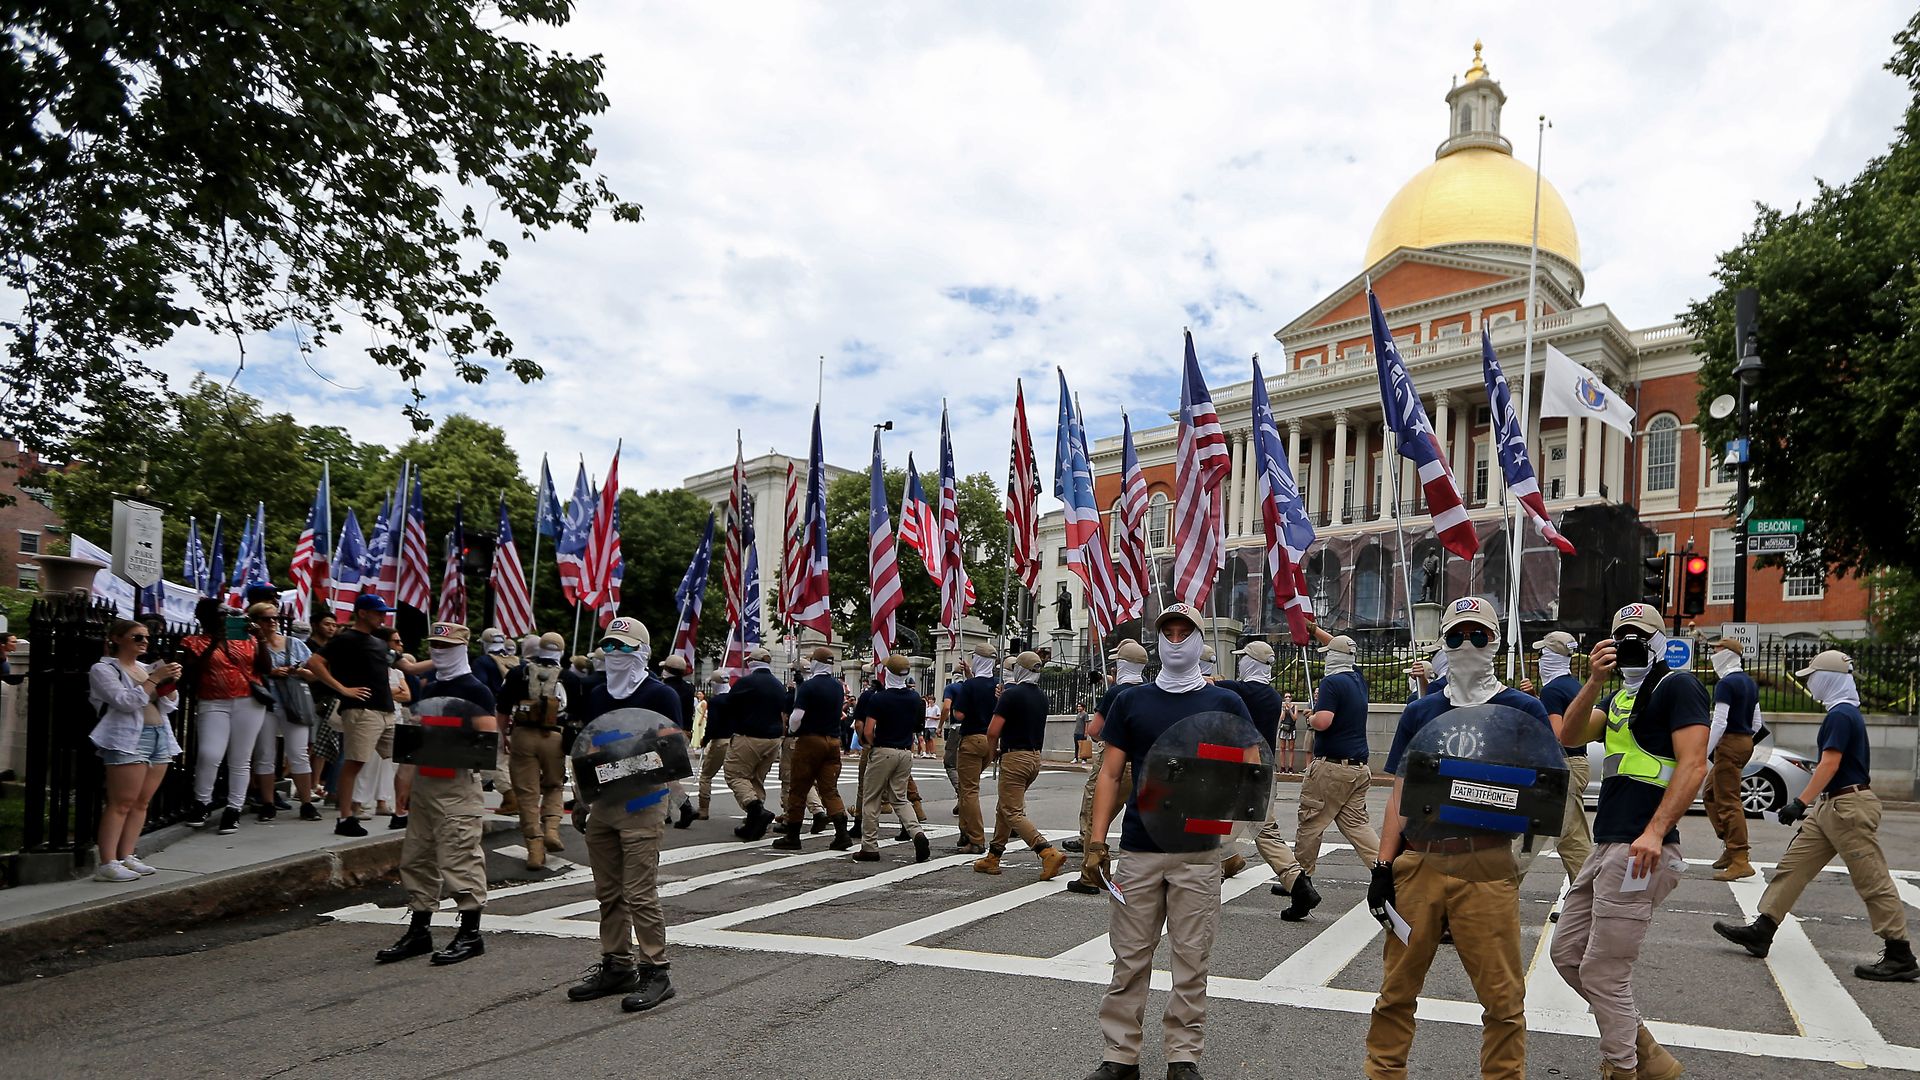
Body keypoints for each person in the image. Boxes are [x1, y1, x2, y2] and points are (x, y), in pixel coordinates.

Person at [1364, 596, 1553, 1080]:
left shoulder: (1522, 709)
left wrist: (1515, 862)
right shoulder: (1421, 711)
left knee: (1503, 1000)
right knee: (1395, 992)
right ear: (1443, 644)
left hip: (1485, 862)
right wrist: (1383, 867)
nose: (1467, 645)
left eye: (1478, 635)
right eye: (1456, 636)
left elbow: (1546, 796)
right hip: (1421, 861)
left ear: (1496, 641)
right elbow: (1399, 795)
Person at [1080, 604, 1253, 1080]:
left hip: (1197, 852)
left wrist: (1228, 832)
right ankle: (1120, 1057)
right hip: (1140, 848)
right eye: (1168, 633)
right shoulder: (1132, 702)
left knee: (1191, 959)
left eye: (1184, 632)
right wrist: (1097, 842)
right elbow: (1110, 774)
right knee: (1129, 957)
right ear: (1158, 641)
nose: (1176, 640)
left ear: (1199, 641)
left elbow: (1250, 771)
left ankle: (1183, 1056)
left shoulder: (1226, 703)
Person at [1549, 603, 1709, 1080]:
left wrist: (1655, 832)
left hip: (1641, 848)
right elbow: (1569, 735)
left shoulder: (1678, 685)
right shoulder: (1618, 696)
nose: (1629, 644)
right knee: (1567, 954)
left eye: (1639, 635)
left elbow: (1694, 764)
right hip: (1607, 845)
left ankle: (1622, 1068)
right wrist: (1593, 680)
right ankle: (1647, 1052)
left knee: (1604, 971)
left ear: (1659, 641)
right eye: (1621, 637)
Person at [1714, 649, 1918, 982]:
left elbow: (1830, 763)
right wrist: (1811, 804)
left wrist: (1800, 802)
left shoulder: (1841, 715)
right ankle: (1763, 929)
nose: (1810, 683)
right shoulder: (1843, 712)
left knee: (1872, 880)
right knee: (1793, 867)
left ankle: (1900, 954)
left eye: (1813, 677)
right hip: (1832, 807)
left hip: (1848, 808)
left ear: (1829, 678)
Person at [564, 617, 684, 1013]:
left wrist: (619, 769)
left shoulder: (661, 695)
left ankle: (655, 970)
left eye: (624, 646)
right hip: (603, 802)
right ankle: (617, 964)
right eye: (610, 646)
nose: (615, 653)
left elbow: (671, 755)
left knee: (639, 891)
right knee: (608, 891)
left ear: (643, 652)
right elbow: (588, 749)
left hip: (642, 802)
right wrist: (581, 798)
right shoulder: (598, 694)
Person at [376, 622, 497, 966]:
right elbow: (416, 736)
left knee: (460, 857)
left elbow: (487, 743)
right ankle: (419, 930)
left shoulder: (476, 690)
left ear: (462, 648)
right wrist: (404, 779)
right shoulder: (429, 687)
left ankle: (470, 933)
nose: (439, 651)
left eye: (446, 646)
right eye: (435, 645)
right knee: (417, 858)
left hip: (456, 785)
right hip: (425, 782)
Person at [1218, 640, 1317, 919]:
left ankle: (1205, 889)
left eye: (1243, 659)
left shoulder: (1239, 691)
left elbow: (1211, 685)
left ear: (1250, 663)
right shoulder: (1273, 697)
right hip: (1264, 766)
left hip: (1238, 766)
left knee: (1213, 824)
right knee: (1265, 830)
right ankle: (1298, 883)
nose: (1240, 664)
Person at [88, 619, 182, 882]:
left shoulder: (144, 668)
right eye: (137, 637)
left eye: (146, 637)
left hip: (159, 735)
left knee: (142, 802)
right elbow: (125, 702)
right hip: (128, 738)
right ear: (117, 638)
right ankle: (108, 862)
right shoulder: (104, 669)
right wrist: (155, 679)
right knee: (121, 802)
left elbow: (169, 705)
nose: (144, 642)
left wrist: (169, 682)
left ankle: (127, 855)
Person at [1296, 627, 1380, 900]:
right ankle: (1386, 870)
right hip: (1358, 767)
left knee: (1311, 822)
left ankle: (1299, 880)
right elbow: (1342, 646)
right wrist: (1313, 629)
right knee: (1357, 825)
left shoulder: (1331, 683)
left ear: (1333, 657)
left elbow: (1324, 721)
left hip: (1331, 766)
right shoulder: (1357, 679)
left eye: (1328, 654)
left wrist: (1310, 717)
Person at [306, 593, 396, 836]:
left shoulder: (378, 642)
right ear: (363, 613)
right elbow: (314, 663)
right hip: (361, 710)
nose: (383, 617)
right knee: (355, 762)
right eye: (379, 612)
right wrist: (342, 689)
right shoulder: (345, 639)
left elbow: (402, 667)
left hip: (386, 709)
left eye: (384, 613)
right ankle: (345, 817)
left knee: (404, 757)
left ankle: (401, 812)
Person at [974, 651, 1068, 880]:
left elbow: (993, 731)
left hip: (1015, 757)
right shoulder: (1041, 696)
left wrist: (991, 753)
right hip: (1034, 758)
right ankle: (994, 856)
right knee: (1005, 807)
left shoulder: (1011, 695)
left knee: (1011, 811)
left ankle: (1046, 851)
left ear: (1019, 670)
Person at [180, 596, 270, 835]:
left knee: (240, 758)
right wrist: (214, 642)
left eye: (227, 614)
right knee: (209, 754)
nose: (226, 618)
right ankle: (202, 802)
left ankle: (234, 808)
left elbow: (265, 668)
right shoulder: (194, 642)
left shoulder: (246, 639)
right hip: (213, 701)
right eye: (221, 614)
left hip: (248, 701)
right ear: (206, 618)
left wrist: (260, 638)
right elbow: (192, 674)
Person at [1064, 639, 1145, 892]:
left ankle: (1090, 875)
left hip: (1115, 762)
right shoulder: (1149, 690)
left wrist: (1110, 737)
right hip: (1142, 764)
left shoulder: (1116, 693)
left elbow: (1094, 730)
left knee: (1095, 817)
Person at [498, 631, 571, 871]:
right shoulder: (569, 677)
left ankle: (535, 849)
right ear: (561, 651)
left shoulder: (518, 672)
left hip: (523, 735)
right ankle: (551, 829)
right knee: (554, 785)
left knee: (527, 794)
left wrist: (504, 735)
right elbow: (578, 715)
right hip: (555, 737)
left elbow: (502, 708)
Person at [1531, 631, 1592, 901]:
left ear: (1550, 656)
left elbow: (1558, 734)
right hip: (1576, 763)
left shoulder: (1553, 690)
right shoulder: (1573, 685)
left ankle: (1588, 897)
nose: (1538, 660)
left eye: (1541, 653)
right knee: (1528, 833)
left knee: (1571, 839)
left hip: (1562, 764)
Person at [854, 653, 932, 863]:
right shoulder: (914, 697)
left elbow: (868, 729)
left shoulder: (879, 698)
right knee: (900, 798)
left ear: (888, 672)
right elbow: (917, 726)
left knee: (871, 798)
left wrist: (870, 744)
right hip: (905, 751)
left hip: (883, 749)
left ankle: (869, 846)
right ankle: (917, 832)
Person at [774, 646, 852, 851]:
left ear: (815, 663)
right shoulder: (838, 687)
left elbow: (796, 717)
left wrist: (792, 729)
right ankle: (842, 833)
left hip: (810, 740)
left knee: (798, 788)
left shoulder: (809, 687)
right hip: (832, 741)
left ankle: (792, 835)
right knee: (829, 789)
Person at [254, 602, 322, 822]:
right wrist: (271, 672)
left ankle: (306, 803)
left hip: (293, 703)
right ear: (256, 621)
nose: (272, 622)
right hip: (265, 703)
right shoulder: (252, 644)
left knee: (298, 753)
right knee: (265, 754)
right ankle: (267, 803)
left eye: (275, 618)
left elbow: (315, 674)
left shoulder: (294, 644)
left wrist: (297, 671)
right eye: (266, 619)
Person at [1703, 636, 1763, 881]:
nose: (1712, 655)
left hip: (1729, 742)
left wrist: (1704, 752)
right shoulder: (1749, 683)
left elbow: (1719, 722)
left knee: (1728, 801)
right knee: (1710, 793)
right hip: (1744, 741)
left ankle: (1740, 858)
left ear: (1727, 654)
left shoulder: (1726, 684)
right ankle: (1731, 845)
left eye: (1716, 650)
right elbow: (1757, 723)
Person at [722, 647, 787, 840]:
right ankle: (754, 823)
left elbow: (728, 705)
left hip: (749, 735)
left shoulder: (747, 682)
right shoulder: (778, 684)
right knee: (757, 778)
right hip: (773, 738)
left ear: (751, 662)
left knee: (735, 775)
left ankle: (755, 809)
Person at [949, 643, 1000, 855]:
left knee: (968, 790)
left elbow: (959, 714)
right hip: (990, 741)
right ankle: (965, 831)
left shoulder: (969, 686)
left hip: (972, 739)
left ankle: (976, 838)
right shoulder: (998, 685)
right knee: (967, 787)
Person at [657, 654, 699, 829]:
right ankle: (666, 812)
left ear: (667, 670)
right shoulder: (689, 688)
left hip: (663, 733)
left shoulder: (662, 688)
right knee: (667, 772)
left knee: (665, 773)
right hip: (683, 732)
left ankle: (685, 806)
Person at [696, 672, 733, 819]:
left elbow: (712, 724)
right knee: (738, 777)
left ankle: (703, 809)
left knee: (706, 775)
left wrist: (705, 740)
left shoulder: (716, 701)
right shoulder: (735, 698)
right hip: (736, 739)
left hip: (720, 741)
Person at [941, 661, 967, 796]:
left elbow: (946, 707)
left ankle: (960, 791)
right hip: (973, 729)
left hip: (956, 727)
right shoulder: (972, 687)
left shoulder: (951, 688)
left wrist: (940, 725)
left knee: (950, 763)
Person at [1277, 692, 1298, 774]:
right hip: (1283, 728)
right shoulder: (1282, 707)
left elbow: (1295, 718)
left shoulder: (1295, 706)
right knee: (1282, 748)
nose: (1288, 698)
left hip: (1291, 728)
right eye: (1286, 697)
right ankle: (1282, 767)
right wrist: (1284, 709)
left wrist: (1290, 710)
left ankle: (1290, 767)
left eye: (1289, 696)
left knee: (1291, 748)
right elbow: (1281, 718)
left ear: (1291, 698)